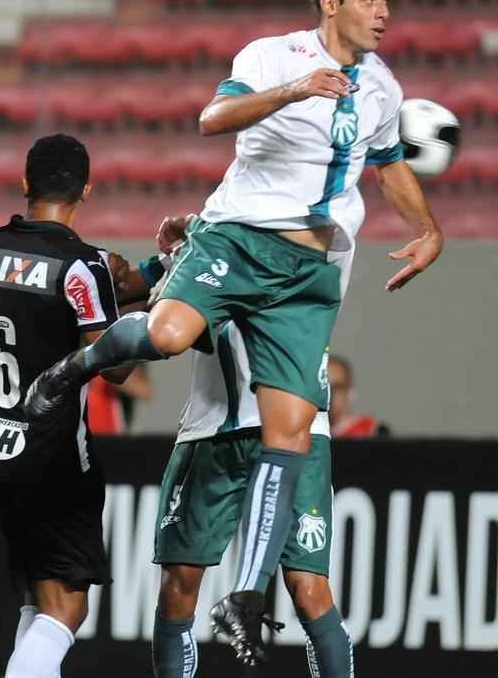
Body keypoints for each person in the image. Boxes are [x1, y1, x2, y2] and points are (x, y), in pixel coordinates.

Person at [25, 0, 443, 663]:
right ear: (329, 3)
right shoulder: (273, 55)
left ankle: (246, 598)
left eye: (388, 1)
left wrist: (428, 227)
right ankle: (73, 367)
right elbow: (212, 118)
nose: (384, 13)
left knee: (293, 433)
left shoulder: (381, 88)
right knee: (166, 333)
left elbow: (388, 163)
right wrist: (292, 92)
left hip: (308, 276)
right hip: (243, 240)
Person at [110, 221, 353, 677]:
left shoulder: (327, 236)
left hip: (299, 430)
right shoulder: (206, 241)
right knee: (179, 585)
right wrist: (115, 273)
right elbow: (127, 286)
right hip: (209, 431)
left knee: (309, 587)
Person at [0, 134, 131, 678]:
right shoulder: (83, 265)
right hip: (55, 452)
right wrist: (153, 305)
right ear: (86, 190)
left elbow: (42, 307)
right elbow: (115, 365)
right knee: (68, 608)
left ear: (24, 183)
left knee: (37, 601)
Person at [327, 354, 389, 437]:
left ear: (350, 390)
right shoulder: (310, 435)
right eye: (323, 387)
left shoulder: (374, 431)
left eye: (337, 387)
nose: (329, 394)